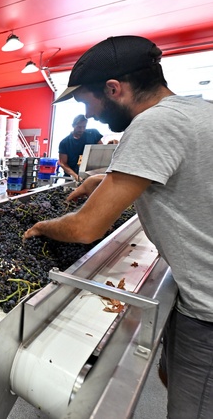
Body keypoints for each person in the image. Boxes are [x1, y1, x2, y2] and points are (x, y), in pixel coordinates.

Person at [23, 35, 213, 418]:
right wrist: (104, 180)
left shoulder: (153, 123)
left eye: (86, 102)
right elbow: (170, 176)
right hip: (198, 293)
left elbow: (85, 228)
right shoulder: (197, 110)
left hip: (208, 309)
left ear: (114, 89)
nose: (89, 115)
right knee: (170, 375)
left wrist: (42, 226)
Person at [57, 114, 103, 181]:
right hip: (72, 177)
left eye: (84, 127)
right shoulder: (65, 142)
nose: (82, 129)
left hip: (91, 175)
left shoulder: (93, 134)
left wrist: (109, 145)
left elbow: (102, 150)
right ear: (73, 125)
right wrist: (75, 176)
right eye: (79, 127)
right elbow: (63, 163)